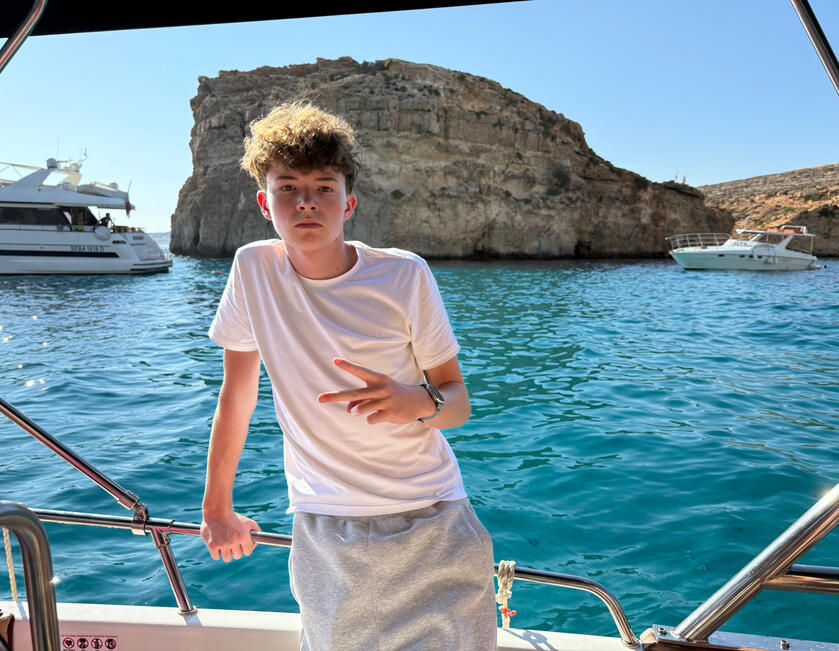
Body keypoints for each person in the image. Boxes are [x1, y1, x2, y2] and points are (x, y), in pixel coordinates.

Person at [200, 100, 497, 651]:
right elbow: (237, 395)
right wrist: (216, 508)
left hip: (431, 515)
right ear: (264, 204)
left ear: (348, 203)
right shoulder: (252, 270)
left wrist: (417, 401)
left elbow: (457, 403)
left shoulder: (404, 276)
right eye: (288, 188)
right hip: (325, 524)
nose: (306, 202)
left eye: (324, 187)